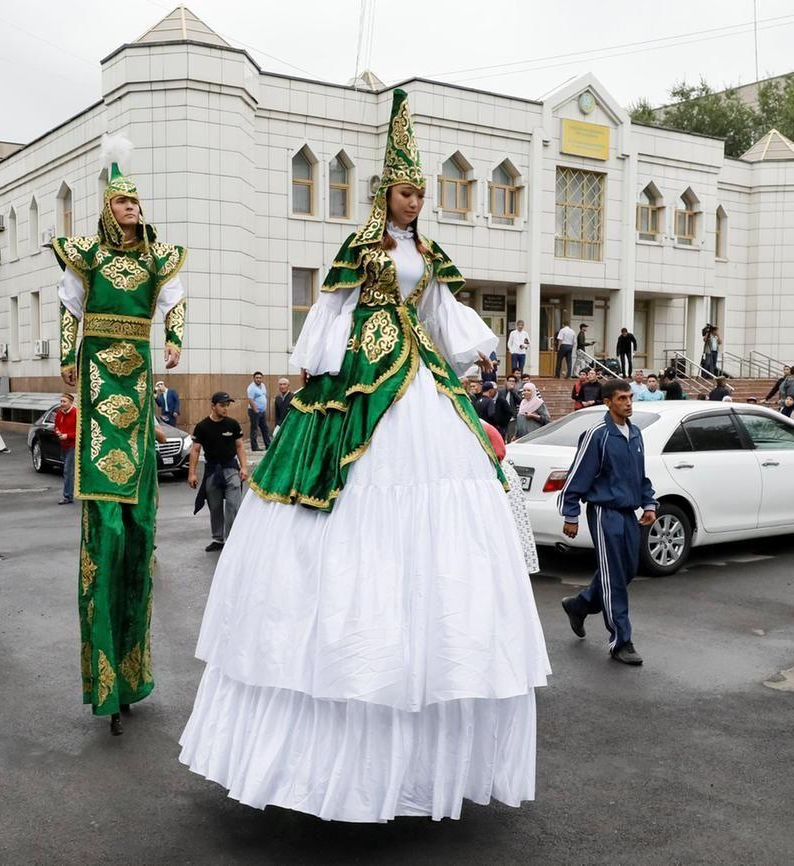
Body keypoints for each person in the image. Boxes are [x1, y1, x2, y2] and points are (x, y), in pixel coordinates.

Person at [178, 89, 549, 822]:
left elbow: (439, 312)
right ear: (386, 194)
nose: (415, 203)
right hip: (360, 377)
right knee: (347, 505)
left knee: (442, 497)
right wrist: (319, 367)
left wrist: (474, 355)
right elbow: (334, 310)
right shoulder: (362, 248)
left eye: (421, 193)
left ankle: (422, 687)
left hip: (418, 376)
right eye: (406, 192)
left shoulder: (427, 254)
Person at [54, 138, 186, 736]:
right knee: (105, 531)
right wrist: (64, 356)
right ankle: (105, 679)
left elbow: (175, 302)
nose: (133, 209)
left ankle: (131, 674)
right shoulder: (86, 257)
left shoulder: (158, 258)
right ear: (108, 210)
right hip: (97, 368)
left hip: (136, 373)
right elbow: (69, 308)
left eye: (136, 202)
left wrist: (176, 339)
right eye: (123, 203)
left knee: (137, 536)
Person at [558, 379, 658, 666]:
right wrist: (571, 514)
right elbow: (577, 476)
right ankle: (621, 641)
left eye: (630, 397)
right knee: (614, 577)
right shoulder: (597, 435)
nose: (628, 402)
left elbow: (640, 476)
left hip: (628, 513)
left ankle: (580, 605)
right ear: (608, 402)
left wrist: (648, 502)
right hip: (604, 512)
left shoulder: (635, 433)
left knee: (626, 571)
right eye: (622, 398)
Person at [189, 392, 247, 552]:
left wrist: (244, 467)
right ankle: (218, 539)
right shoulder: (202, 426)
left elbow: (240, 446)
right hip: (212, 471)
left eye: (227, 405)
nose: (225, 408)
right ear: (213, 406)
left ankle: (232, 538)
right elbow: (195, 450)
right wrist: (192, 473)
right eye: (222, 405)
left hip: (231, 469)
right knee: (214, 506)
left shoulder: (233, 424)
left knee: (233, 505)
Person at [482, 420, 540, 575]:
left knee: (505, 529)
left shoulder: (477, 425)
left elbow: (499, 451)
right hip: (499, 475)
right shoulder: (478, 423)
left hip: (497, 476)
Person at [54, 393, 77, 504]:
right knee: (68, 471)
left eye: (64, 401)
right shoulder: (59, 413)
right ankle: (71, 493)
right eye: (61, 401)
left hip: (73, 445)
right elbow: (57, 425)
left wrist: (68, 436)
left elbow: (81, 431)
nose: (62, 404)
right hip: (63, 445)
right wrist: (58, 432)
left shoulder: (76, 413)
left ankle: (68, 496)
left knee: (68, 471)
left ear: (71, 403)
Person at [245, 372, 271, 451]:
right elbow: (250, 400)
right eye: (257, 378)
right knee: (254, 429)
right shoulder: (251, 387)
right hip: (254, 412)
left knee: (265, 429)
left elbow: (263, 395)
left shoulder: (263, 385)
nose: (258, 379)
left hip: (262, 412)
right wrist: (256, 410)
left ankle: (268, 445)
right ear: (254, 378)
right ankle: (254, 447)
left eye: (260, 378)